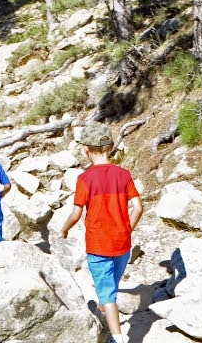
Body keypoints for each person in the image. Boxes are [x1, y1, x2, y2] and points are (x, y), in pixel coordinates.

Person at [58, 122, 143, 343]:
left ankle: (118, 338)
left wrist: (64, 229)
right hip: (122, 244)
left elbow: (76, 214)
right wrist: (126, 229)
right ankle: (107, 313)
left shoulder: (85, 179)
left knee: (106, 293)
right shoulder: (123, 174)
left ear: (85, 149)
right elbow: (138, 207)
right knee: (111, 286)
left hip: (98, 246)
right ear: (111, 146)